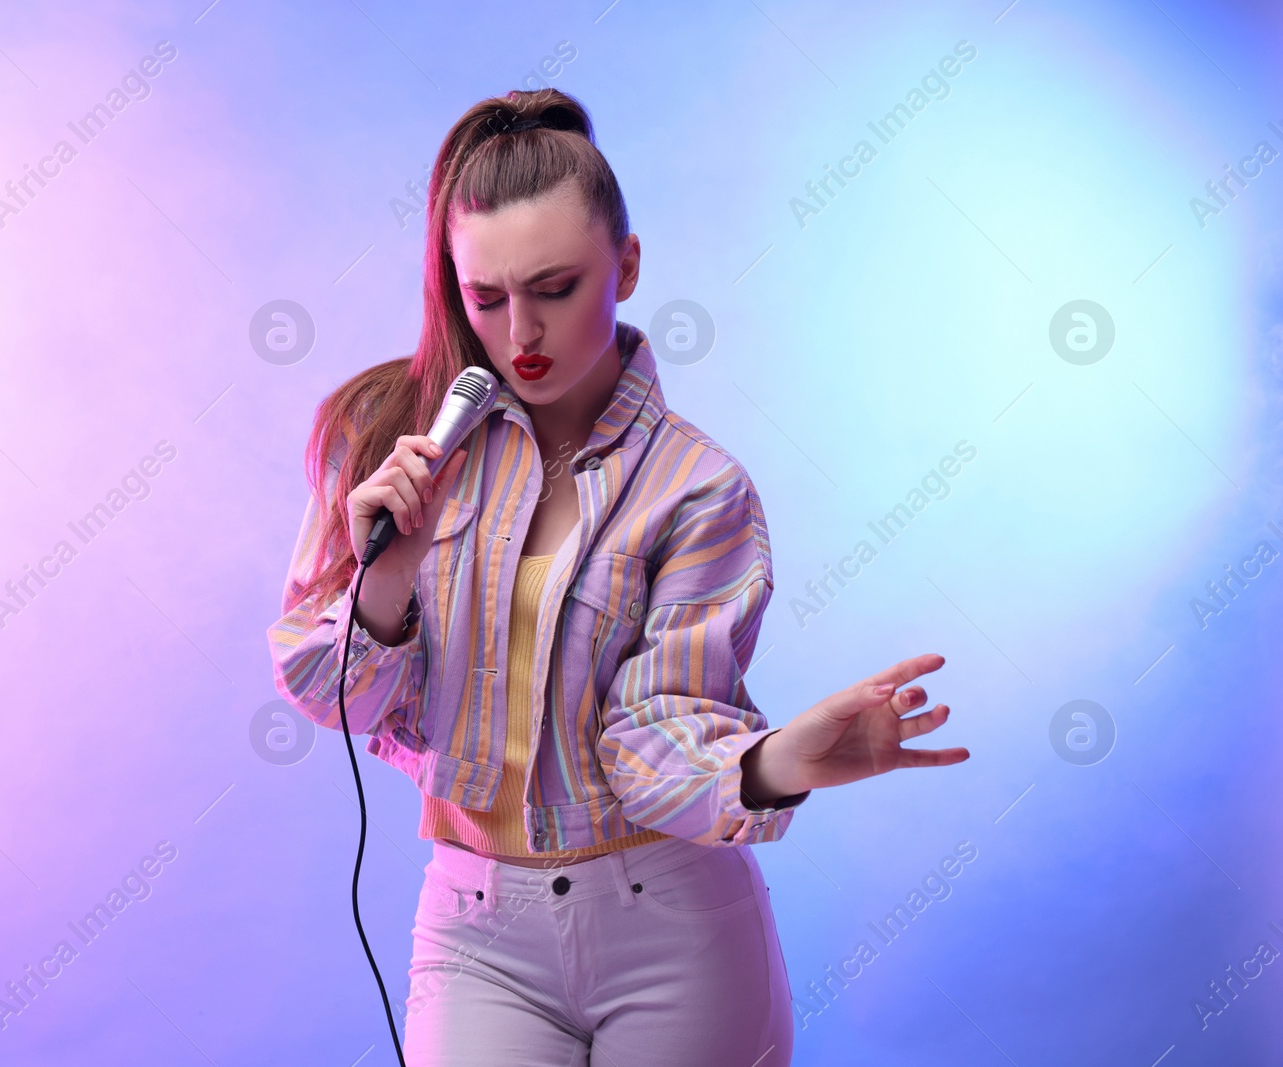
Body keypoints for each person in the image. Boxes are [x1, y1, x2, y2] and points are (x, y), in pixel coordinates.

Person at [267, 88, 968, 1067]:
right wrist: (392, 574)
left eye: (554, 286)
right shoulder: (385, 441)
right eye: (486, 297)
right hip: (476, 931)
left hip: (672, 924)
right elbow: (332, 695)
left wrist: (772, 762)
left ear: (625, 266)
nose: (521, 334)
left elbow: (650, 740)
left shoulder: (697, 487)